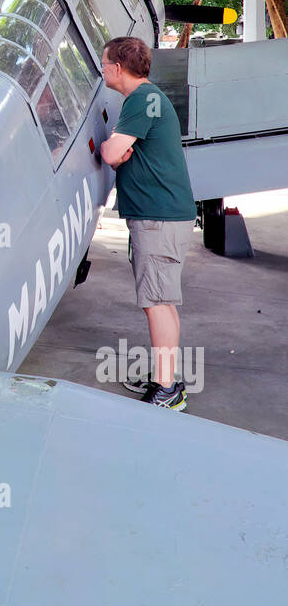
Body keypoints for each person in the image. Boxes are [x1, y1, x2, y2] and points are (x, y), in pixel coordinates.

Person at [99, 36, 198, 411]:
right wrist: (122, 151)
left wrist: (118, 152)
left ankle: (167, 391)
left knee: (156, 303)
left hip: (158, 219)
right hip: (163, 215)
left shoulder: (140, 100)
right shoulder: (148, 97)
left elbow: (111, 152)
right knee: (163, 302)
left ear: (118, 68)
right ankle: (166, 380)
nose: (103, 68)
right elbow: (120, 151)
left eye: (105, 63)